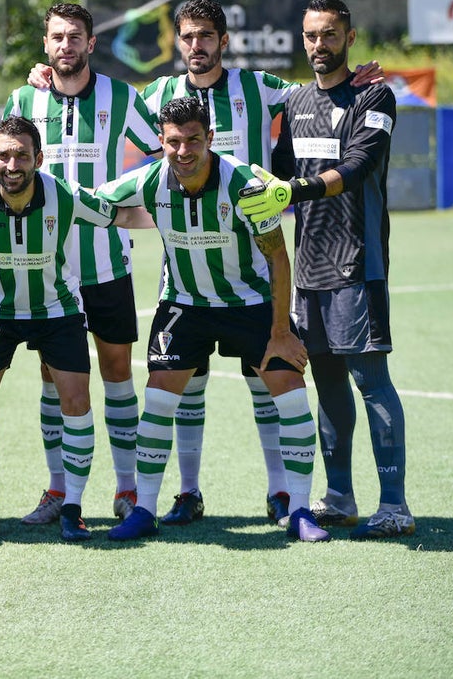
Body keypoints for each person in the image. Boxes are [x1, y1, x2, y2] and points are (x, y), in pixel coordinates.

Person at [29, 0, 382, 528]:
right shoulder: (156, 96)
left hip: (254, 270)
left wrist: (356, 79)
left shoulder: (259, 87)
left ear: (223, 41)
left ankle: (282, 494)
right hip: (185, 275)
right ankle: (186, 492)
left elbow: (320, 88)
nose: (197, 46)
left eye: (206, 36)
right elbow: (96, 106)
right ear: (178, 43)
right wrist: (44, 78)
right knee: (184, 386)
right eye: (188, 37)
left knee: (267, 385)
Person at [97, 97, 329, 542]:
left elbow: (279, 259)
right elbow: (92, 201)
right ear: (161, 141)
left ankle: (300, 510)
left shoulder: (245, 186)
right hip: (184, 305)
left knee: (291, 396)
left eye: (193, 140)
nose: (183, 151)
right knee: (158, 400)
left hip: (249, 303)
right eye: (173, 142)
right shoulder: (149, 179)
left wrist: (281, 331)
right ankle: (145, 510)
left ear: (210, 138)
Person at [240, 0, 412, 540]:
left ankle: (395, 505)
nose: (319, 44)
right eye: (311, 35)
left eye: (330, 34)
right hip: (309, 267)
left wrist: (294, 190)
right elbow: (278, 170)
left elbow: (359, 165)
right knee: (328, 382)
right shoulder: (295, 102)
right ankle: (339, 498)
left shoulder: (374, 95)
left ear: (349, 38)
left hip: (358, 263)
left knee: (371, 380)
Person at [0, 116, 141, 543]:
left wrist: (180, 218)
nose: (13, 165)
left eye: (22, 155)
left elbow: (121, 215)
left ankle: (73, 508)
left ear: (39, 159)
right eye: (4, 156)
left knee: (76, 402)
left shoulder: (66, 194)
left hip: (56, 310)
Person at [3, 3, 161, 526]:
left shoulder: (122, 97)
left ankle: (127, 489)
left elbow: (163, 152)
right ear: (45, 44)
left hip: (106, 263)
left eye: (75, 37)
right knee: (52, 378)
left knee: (116, 373)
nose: (66, 45)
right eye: (57, 37)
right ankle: (58, 489)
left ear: (91, 43)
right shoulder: (24, 99)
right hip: (44, 270)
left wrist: (133, 204)